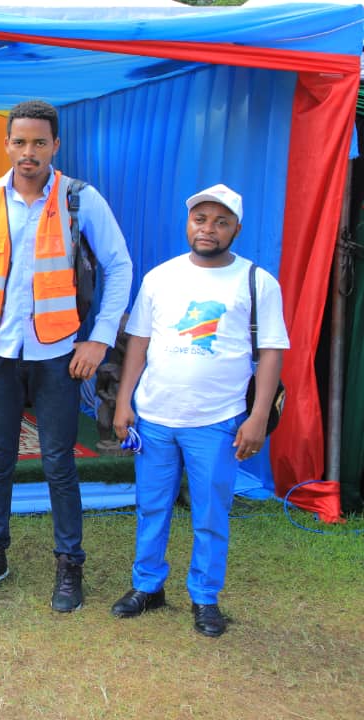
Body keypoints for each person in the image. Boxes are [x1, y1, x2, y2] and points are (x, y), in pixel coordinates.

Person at [0, 99, 133, 611]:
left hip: (58, 352)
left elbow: (120, 267)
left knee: (58, 461)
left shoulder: (80, 199)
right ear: (6, 144)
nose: (28, 152)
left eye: (39, 142)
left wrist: (98, 340)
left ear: (56, 145)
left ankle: (69, 565)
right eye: (19, 141)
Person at [110, 184, 288, 637]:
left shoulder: (257, 282)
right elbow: (139, 343)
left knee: (210, 513)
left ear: (236, 229)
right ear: (188, 223)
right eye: (201, 219)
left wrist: (259, 417)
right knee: (152, 506)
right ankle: (147, 586)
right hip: (155, 417)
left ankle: (205, 598)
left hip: (218, 420)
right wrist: (124, 401)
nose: (208, 229)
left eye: (221, 222)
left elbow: (270, 352)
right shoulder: (160, 277)